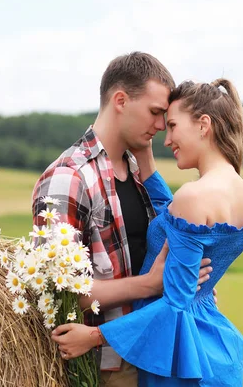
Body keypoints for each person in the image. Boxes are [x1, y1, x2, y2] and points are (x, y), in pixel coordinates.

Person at [51, 78, 243, 386]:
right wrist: (146, 160)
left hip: (175, 352)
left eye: (174, 126)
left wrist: (94, 336)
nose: (167, 139)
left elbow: (174, 305)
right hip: (213, 342)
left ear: (203, 125)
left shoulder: (193, 198)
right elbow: (174, 219)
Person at [32, 52, 214, 387]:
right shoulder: (68, 179)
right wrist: (150, 284)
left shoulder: (137, 171)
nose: (161, 127)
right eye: (155, 112)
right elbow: (61, 294)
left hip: (149, 353)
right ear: (120, 100)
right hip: (105, 367)